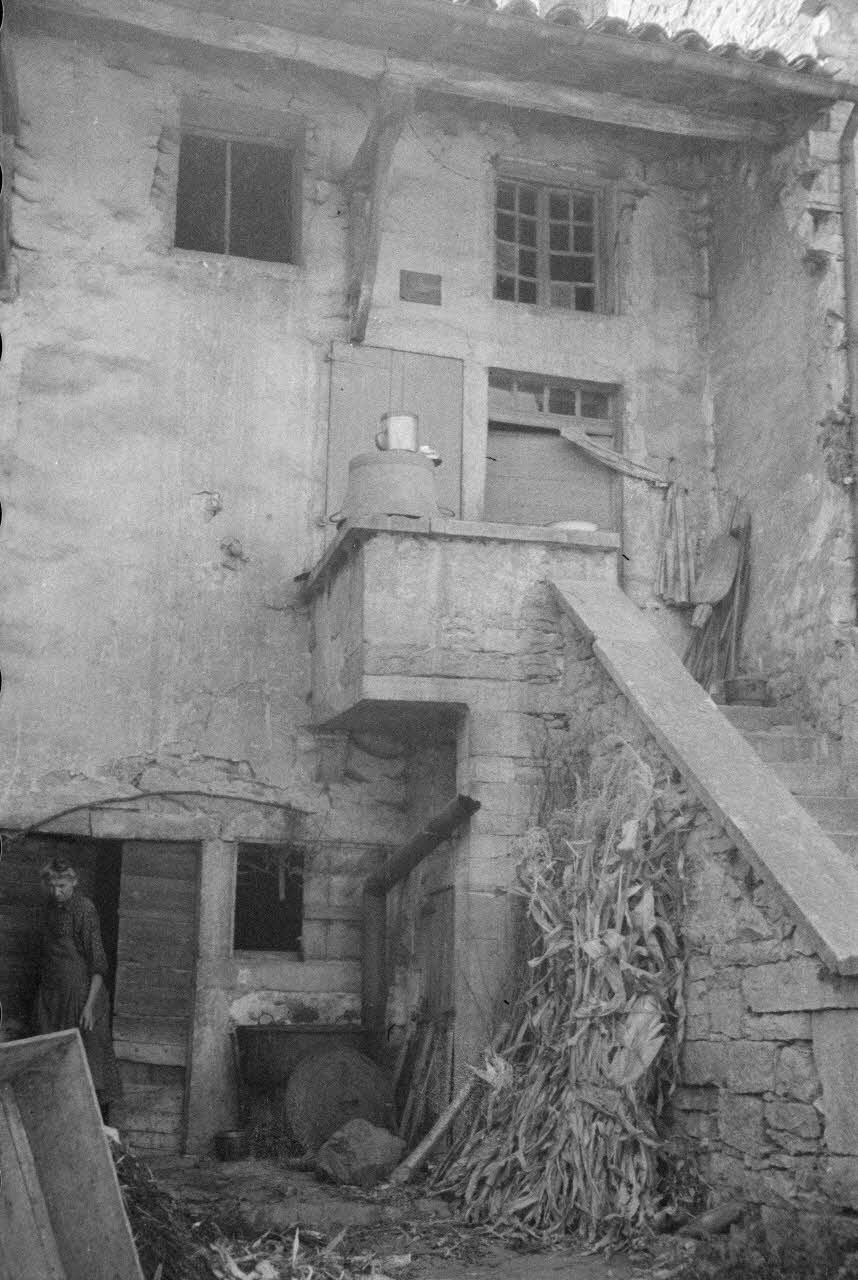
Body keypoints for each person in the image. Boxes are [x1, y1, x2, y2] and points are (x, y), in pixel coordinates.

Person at [33, 856, 122, 1120]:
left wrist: (90, 1007)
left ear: (74, 882)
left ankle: (98, 1131)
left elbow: (98, 966)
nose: (56, 891)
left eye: (62, 885)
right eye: (51, 885)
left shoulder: (84, 909)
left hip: (82, 998)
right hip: (53, 998)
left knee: (91, 1064)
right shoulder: (48, 908)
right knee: (54, 1064)